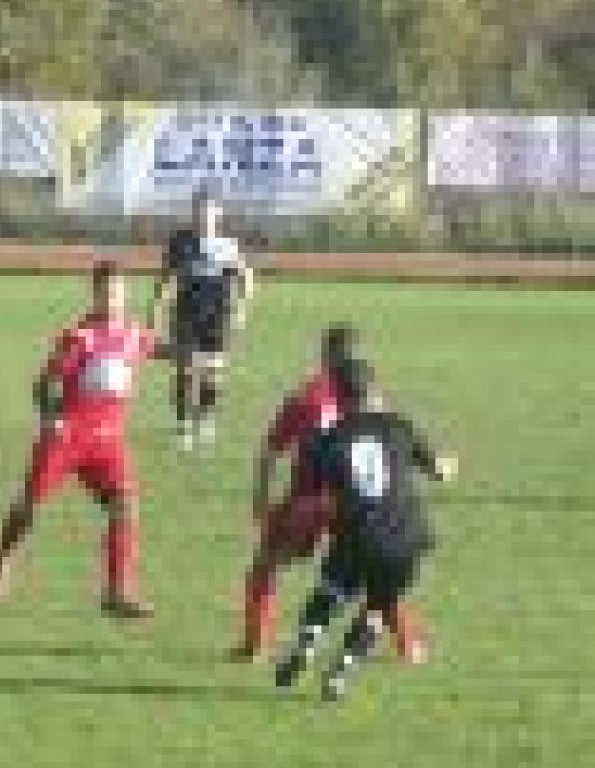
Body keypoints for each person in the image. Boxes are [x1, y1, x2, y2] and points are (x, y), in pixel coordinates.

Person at [0, 260, 170, 619]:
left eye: (118, 291)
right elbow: (44, 384)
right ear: (95, 293)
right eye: (105, 291)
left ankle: (117, 592)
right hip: (66, 437)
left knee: (125, 505)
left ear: (126, 293)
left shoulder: (133, 334)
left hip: (107, 443)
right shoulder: (80, 337)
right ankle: (3, 560)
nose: (112, 298)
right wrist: (50, 417)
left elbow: (155, 347)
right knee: (30, 506)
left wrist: (191, 355)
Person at [238, 324, 427, 663]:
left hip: (309, 499)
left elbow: (271, 450)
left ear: (324, 357)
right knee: (381, 571)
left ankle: (255, 645)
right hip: (361, 504)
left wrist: (261, 499)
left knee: (266, 565)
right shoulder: (374, 401)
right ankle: (409, 646)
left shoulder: (304, 395)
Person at [275, 358, 458, 704]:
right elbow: (440, 472)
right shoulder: (400, 427)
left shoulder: (325, 440)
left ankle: (306, 643)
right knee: (377, 608)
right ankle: (341, 673)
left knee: (327, 596)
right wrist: (450, 465)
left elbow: (306, 502)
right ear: (374, 390)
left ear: (337, 398)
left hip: (356, 533)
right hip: (408, 536)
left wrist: (298, 537)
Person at [150, 187, 254, 450]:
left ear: (218, 214)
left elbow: (246, 277)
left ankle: (206, 420)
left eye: (209, 211)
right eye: (199, 210)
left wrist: (241, 307)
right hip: (186, 313)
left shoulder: (228, 246)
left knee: (213, 371)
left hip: (217, 315)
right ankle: (184, 427)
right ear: (193, 213)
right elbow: (165, 279)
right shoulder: (180, 242)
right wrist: (156, 311)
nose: (203, 216)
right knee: (185, 368)